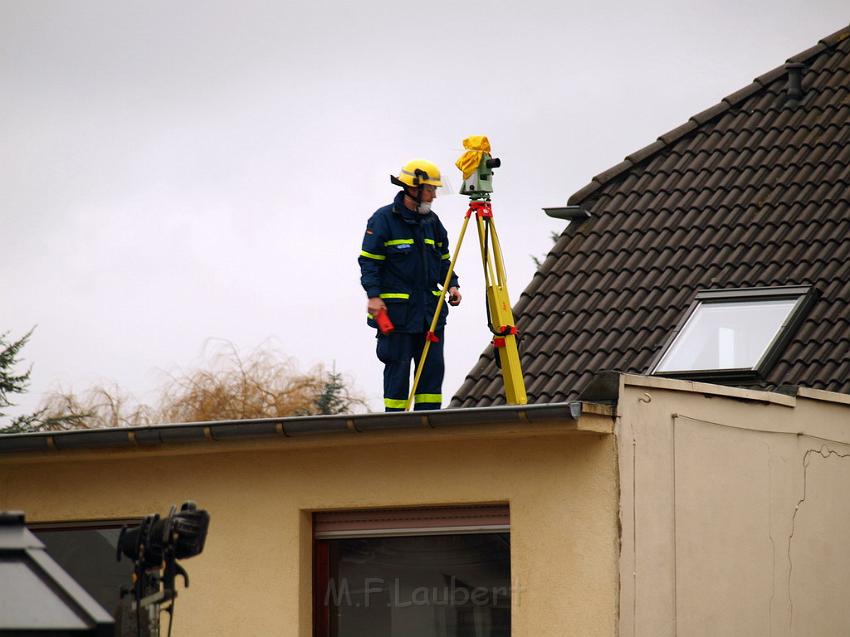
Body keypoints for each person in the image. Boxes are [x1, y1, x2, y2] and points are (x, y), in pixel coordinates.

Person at [358, 159, 462, 411]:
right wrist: (373, 297)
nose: (435, 196)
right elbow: (368, 263)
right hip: (397, 316)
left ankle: (428, 425)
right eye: (431, 190)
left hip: (430, 314)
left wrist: (452, 285)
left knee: (432, 371)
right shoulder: (383, 220)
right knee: (398, 370)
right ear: (413, 189)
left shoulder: (433, 223)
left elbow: (444, 261)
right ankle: (395, 427)